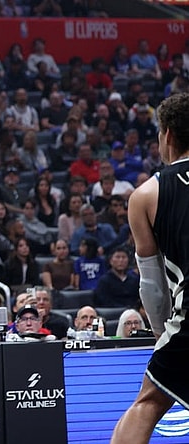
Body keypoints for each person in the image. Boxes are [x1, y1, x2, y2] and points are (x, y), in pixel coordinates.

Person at [112, 93, 189, 443]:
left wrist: (162, 334)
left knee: (148, 402)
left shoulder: (145, 195)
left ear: (168, 134)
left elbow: (153, 285)